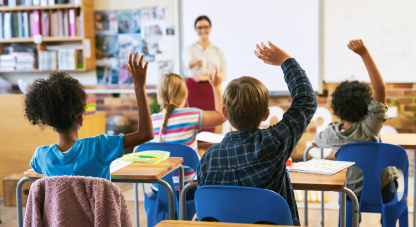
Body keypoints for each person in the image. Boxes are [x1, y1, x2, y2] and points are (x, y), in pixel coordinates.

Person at [197, 41, 318, 226]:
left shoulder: (208, 159)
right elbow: (306, 100)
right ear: (266, 115)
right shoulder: (273, 144)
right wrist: (286, 60)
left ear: (224, 114)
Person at [26, 52, 154, 181]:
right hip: (98, 202)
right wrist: (139, 87)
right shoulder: (98, 147)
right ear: (80, 118)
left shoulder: (41, 156)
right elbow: (146, 134)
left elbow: (37, 168)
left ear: (50, 121)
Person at [314, 39, 399, 204]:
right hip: (381, 191)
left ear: (336, 108)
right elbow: (380, 89)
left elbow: (317, 141)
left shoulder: (331, 134)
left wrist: (317, 141)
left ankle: (351, 219)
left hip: (350, 194)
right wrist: (364, 54)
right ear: (368, 107)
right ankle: (386, 218)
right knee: (391, 177)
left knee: (344, 193)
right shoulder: (370, 127)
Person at [150, 67, 226, 196]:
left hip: (159, 189)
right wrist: (216, 85)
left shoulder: (152, 121)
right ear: (184, 95)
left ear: (159, 96)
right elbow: (222, 115)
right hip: (187, 188)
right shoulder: (190, 115)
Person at [182, 15, 227, 133]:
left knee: (211, 124)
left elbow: (224, 74)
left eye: (206, 27)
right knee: (191, 123)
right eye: (199, 27)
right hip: (192, 90)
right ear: (195, 29)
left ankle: (207, 151)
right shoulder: (189, 49)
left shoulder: (218, 51)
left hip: (212, 90)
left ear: (210, 28)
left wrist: (204, 76)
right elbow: (187, 64)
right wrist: (193, 62)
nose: (203, 30)